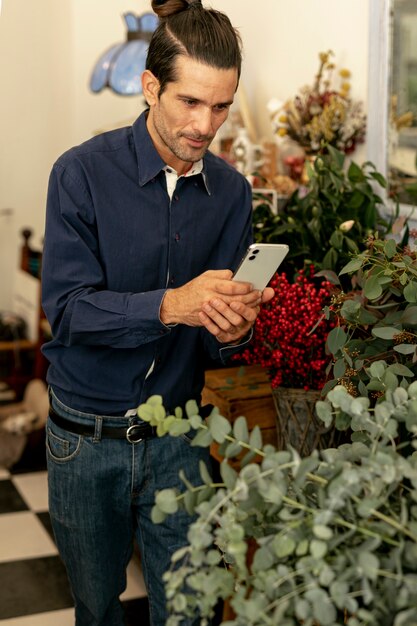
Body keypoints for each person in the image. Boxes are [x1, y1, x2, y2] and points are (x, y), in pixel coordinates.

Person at [41, 1, 274, 624]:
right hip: (85, 443)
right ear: (151, 88)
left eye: (221, 106)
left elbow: (219, 343)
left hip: (181, 438)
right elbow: (67, 313)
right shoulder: (80, 174)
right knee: (97, 610)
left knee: (192, 612)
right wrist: (175, 305)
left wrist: (234, 326)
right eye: (190, 102)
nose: (207, 124)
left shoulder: (232, 192)